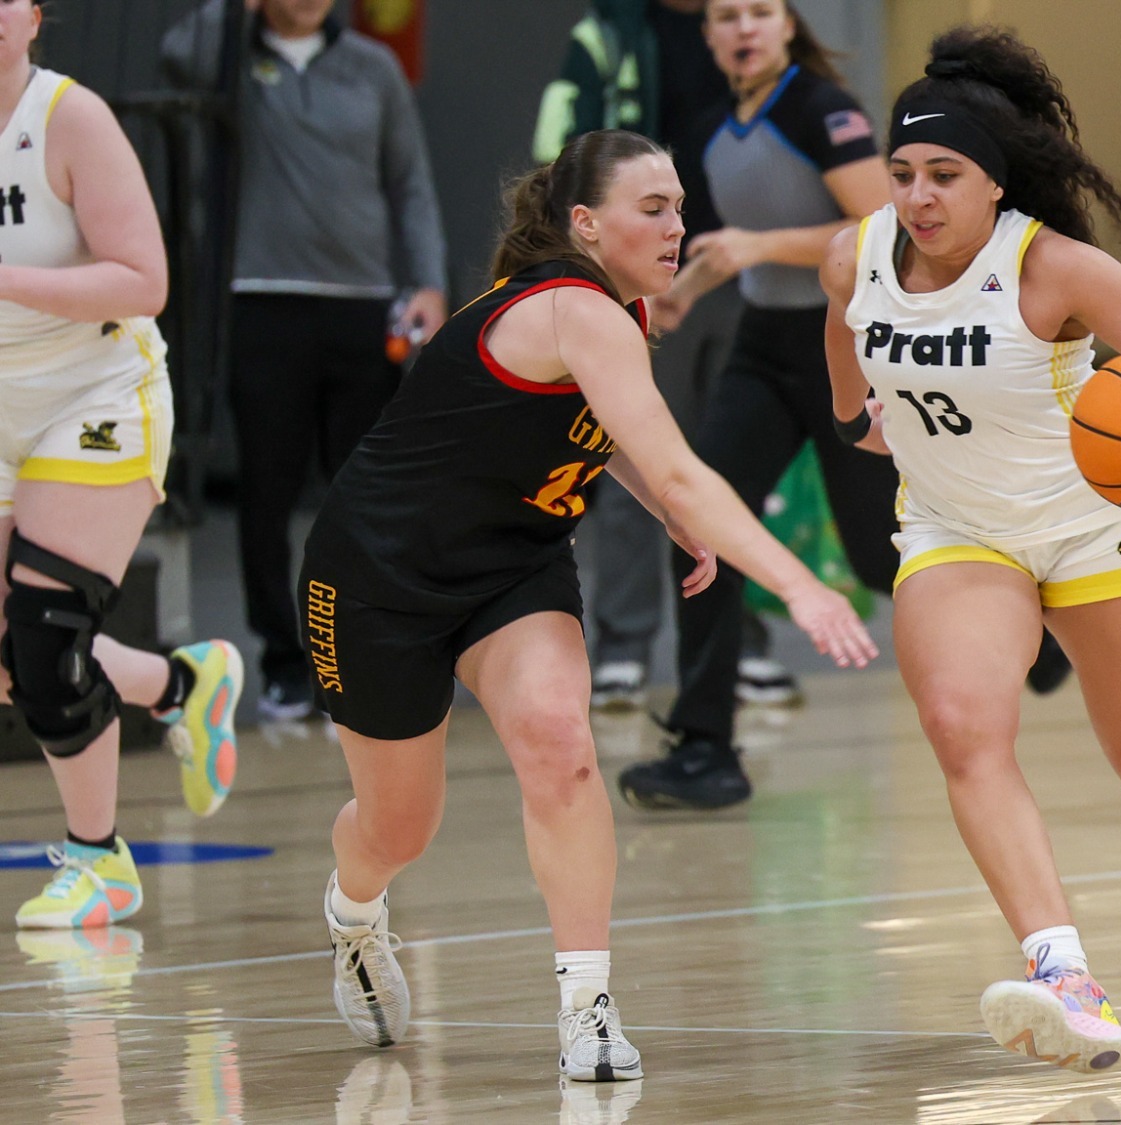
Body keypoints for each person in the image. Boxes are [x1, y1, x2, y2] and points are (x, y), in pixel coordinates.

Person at [296, 129, 877, 1079]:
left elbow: (613, 443)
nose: (677, 226)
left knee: (563, 749)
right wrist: (800, 585)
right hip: (375, 576)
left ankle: (587, 1005)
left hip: (512, 567)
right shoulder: (575, 306)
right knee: (399, 827)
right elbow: (685, 468)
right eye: (652, 209)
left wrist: (669, 517)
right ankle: (355, 914)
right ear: (583, 223)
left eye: (681, 207)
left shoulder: (618, 309)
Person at [822, 26, 1121, 1074]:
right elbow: (842, 321)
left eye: (945, 176)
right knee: (961, 725)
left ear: (994, 185)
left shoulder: (1054, 268)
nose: (919, 197)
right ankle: (1064, 973)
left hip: (1090, 525)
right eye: (904, 173)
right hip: (957, 530)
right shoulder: (857, 251)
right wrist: (853, 419)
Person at [612, 0, 902, 811]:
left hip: (839, 345)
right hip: (763, 346)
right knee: (697, 519)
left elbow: (880, 226)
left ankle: (1042, 648)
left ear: (785, 25)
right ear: (708, 37)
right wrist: (680, 291)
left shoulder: (821, 107)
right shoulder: (710, 125)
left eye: (760, 12)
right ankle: (707, 748)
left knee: (881, 558)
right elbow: (724, 248)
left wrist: (760, 248)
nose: (743, 27)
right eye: (727, 16)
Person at [0, 0, 243, 930]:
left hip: (92, 394)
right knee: (14, 654)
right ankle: (180, 686)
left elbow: (144, 277)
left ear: (34, 16)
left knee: (48, 635)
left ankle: (99, 860)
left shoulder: (68, 116)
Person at [162, 0, 449, 721]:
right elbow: (174, 48)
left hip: (362, 305)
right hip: (261, 301)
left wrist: (428, 283)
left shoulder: (374, 67)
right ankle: (284, 663)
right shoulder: (226, 55)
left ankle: (354, 659)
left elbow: (409, 181)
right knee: (266, 494)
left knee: (363, 499)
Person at [535, 0, 783, 711]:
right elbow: (556, 152)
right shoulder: (607, 33)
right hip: (644, 284)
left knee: (735, 464)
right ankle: (624, 645)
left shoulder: (750, 25)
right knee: (631, 459)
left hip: (743, 280)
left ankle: (740, 642)